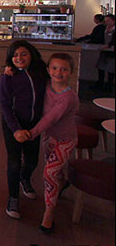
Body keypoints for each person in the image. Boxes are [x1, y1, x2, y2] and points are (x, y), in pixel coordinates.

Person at [27, 53, 79, 234]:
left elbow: (50, 118)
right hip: (49, 138)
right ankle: (63, 182)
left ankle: (49, 212)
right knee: (54, 170)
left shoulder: (68, 97)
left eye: (64, 69)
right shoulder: (47, 85)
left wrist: (32, 133)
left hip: (65, 140)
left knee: (49, 173)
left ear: (71, 72)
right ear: (48, 70)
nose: (59, 72)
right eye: (55, 68)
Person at [0, 40, 48, 220]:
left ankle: (24, 178)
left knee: (32, 159)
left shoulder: (41, 71)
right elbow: (5, 105)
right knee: (14, 162)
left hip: (35, 124)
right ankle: (13, 197)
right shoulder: (8, 76)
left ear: (31, 54)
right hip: (13, 125)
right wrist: (16, 129)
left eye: (23, 54)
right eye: (15, 55)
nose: (19, 58)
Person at [95, 13, 115, 90]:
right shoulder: (105, 29)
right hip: (104, 50)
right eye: (106, 21)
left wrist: (109, 45)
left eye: (109, 21)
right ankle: (100, 83)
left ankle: (109, 85)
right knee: (101, 67)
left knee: (111, 69)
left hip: (112, 52)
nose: (107, 22)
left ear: (113, 21)